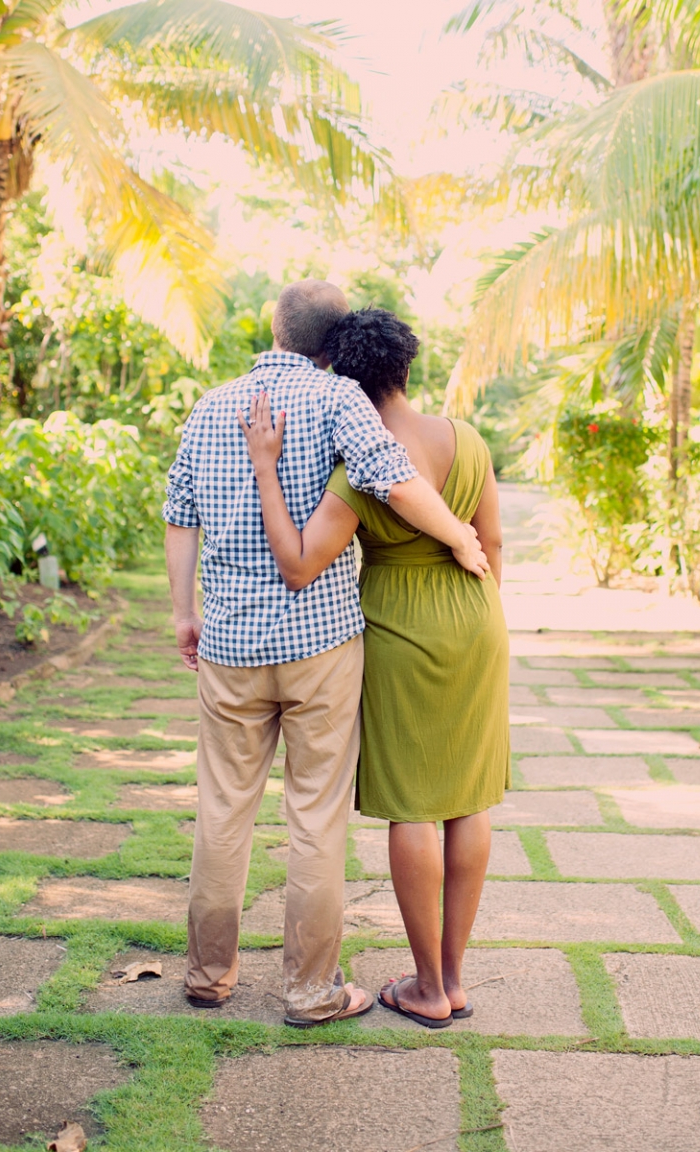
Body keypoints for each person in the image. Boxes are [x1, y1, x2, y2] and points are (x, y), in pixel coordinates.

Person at [163, 281, 489, 1026]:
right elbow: (396, 479)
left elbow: (180, 513)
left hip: (231, 645)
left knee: (222, 810)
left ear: (274, 328)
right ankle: (312, 991)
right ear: (334, 342)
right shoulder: (340, 398)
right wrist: (459, 536)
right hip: (321, 644)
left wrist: (184, 613)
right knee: (315, 819)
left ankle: (208, 977)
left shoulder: (211, 405)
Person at [239, 306, 509, 1029]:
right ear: (406, 366)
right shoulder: (469, 440)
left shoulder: (359, 466)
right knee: (469, 800)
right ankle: (453, 981)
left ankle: (427, 987)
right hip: (477, 618)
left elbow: (301, 563)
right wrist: (484, 619)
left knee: (412, 804)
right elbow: (491, 542)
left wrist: (266, 470)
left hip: (398, 626)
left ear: (342, 377)